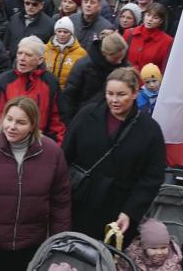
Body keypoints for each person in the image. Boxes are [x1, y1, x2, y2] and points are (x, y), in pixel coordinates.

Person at [0, 97, 71, 270]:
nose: (11, 126)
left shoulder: (52, 153)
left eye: (20, 122)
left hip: (32, 241)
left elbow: (60, 201)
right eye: (8, 119)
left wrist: (58, 240)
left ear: (33, 125)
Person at [63, 67, 166, 240]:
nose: (114, 100)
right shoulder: (86, 115)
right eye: (110, 93)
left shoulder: (150, 130)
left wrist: (130, 212)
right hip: (79, 201)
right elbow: (65, 155)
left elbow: (152, 178)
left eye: (121, 94)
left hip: (117, 211)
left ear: (135, 93)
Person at [0, 36, 65, 143]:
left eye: (28, 55)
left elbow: (57, 120)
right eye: (19, 53)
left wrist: (56, 145)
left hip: (40, 142)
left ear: (40, 60)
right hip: (9, 141)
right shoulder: (3, 81)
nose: (21, 58)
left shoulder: (51, 82)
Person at [123, 3, 173, 73]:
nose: (150, 19)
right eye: (148, 15)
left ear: (161, 21)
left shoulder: (167, 41)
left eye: (155, 18)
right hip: (126, 79)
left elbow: (164, 68)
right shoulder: (129, 33)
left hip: (148, 82)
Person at [44, 16, 88, 90]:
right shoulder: (44, 48)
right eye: (59, 31)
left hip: (67, 93)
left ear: (71, 33)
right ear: (55, 32)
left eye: (65, 32)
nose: (62, 34)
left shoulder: (81, 53)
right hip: (46, 90)